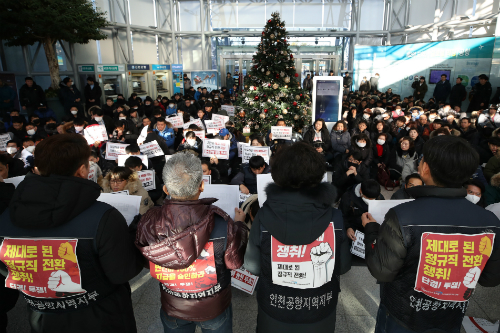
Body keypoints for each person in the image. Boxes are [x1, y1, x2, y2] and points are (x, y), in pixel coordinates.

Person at [0, 134, 145, 333]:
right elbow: (122, 272)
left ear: (37, 169)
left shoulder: (5, 218)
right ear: (82, 170)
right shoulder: (104, 217)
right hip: (102, 317)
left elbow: (8, 271)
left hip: (42, 318)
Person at [361, 135, 500, 333]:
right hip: (450, 316)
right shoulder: (490, 221)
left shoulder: (403, 215)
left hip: (403, 316)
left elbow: (382, 270)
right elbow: (490, 278)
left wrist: (372, 230)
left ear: (425, 168)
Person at [243, 142, 351, 333]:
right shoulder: (334, 218)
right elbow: (342, 266)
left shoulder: (263, 216)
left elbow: (252, 266)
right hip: (320, 309)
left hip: (274, 309)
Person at [135, 152, 248, 333]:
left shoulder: (149, 221)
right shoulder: (221, 221)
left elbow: (148, 261)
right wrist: (240, 225)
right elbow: (234, 262)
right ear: (202, 186)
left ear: (165, 189)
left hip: (173, 306)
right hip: (214, 308)